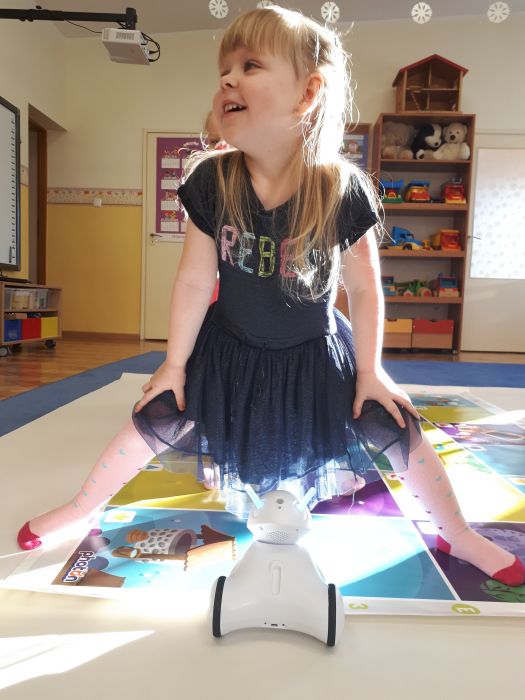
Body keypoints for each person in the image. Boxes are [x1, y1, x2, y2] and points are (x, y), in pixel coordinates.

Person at [18, 7, 524, 587]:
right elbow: (193, 281)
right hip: (227, 348)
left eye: (250, 66)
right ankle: (82, 506)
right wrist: (175, 364)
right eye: (224, 70)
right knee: (156, 416)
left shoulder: (340, 188)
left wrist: (371, 372)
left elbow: (363, 288)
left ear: (307, 93)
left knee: (393, 422)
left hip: (314, 353)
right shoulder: (212, 180)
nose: (228, 79)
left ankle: (456, 531)